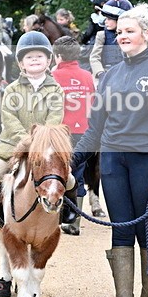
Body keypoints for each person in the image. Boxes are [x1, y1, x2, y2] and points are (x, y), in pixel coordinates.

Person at [71, 3, 148, 297]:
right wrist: (72, 163)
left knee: (147, 229)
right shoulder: (110, 76)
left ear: (146, 33)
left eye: (129, 31)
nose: (121, 36)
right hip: (113, 161)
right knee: (120, 228)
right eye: (119, 32)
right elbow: (94, 128)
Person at [0, 31, 76, 231]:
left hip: (47, 146)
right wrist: (27, 141)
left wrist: (40, 142)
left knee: (70, 177)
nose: (34, 60)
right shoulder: (12, 89)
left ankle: (68, 209)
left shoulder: (56, 90)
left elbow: (54, 119)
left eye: (40, 56)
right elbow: (9, 119)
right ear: (21, 63)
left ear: (48, 61)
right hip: (13, 144)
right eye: (29, 57)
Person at [52, 36, 96, 236]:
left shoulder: (52, 75)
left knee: (55, 173)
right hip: (84, 132)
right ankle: (75, 221)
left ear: (58, 56)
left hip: (61, 132)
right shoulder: (87, 76)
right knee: (77, 175)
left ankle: (57, 217)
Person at [89, 0, 132, 84]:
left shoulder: (131, 36)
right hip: (106, 75)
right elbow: (94, 57)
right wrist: (100, 73)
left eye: (109, 19)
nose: (105, 22)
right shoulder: (102, 35)